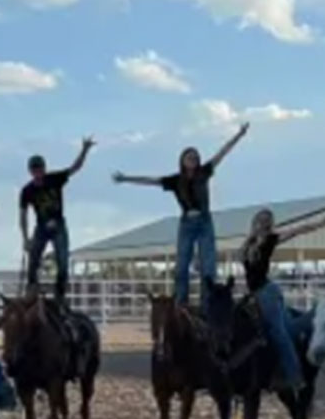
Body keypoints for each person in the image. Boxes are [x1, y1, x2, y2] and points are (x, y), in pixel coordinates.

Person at [112, 124, 248, 306]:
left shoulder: (204, 172)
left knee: (208, 267)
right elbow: (150, 181)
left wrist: (239, 134)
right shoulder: (175, 181)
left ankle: (206, 304)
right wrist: (126, 178)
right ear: (182, 161)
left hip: (205, 221)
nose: (192, 159)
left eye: (194, 157)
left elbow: (222, 153)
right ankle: (180, 302)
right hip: (187, 224)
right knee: (182, 265)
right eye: (188, 157)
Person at [240, 207, 325, 394]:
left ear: (268, 225)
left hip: (267, 293)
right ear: (254, 222)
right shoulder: (247, 244)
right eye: (260, 220)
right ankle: (316, 313)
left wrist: (322, 223)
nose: (262, 223)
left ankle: (295, 378)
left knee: (280, 335)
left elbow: (298, 230)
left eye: (265, 221)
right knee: (291, 328)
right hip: (259, 294)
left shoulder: (270, 239)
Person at [19, 137, 95, 302]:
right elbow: (23, 215)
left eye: (39, 169)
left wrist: (85, 150)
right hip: (41, 227)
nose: (37, 172)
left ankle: (59, 296)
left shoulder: (54, 179)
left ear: (44, 169)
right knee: (33, 260)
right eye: (34, 170)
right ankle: (32, 290)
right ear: (30, 171)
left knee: (63, 261)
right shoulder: (27, 191)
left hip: (58, 225)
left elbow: (75, 168)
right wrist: (25, 239)